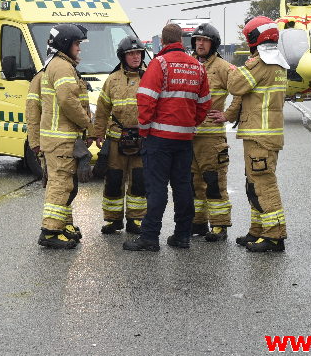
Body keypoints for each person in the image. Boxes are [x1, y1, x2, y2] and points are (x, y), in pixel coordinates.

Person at [123, 23, 211, 252]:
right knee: (183, 187)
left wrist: (144, 130)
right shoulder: (198, 67)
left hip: (158, 138)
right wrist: (190, 124)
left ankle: (150, 237)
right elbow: (204, 105)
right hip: (184, 139)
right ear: (181, 40)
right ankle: (182, 235)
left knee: (157, 188)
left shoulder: (159, 64)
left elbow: (146, 100)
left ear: (162, 42)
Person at [227, 16, 289, 252]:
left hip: (259, 136)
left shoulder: (260, 65)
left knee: (264, 185)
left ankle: (274, 236)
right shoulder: (280, 64)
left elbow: (235, 86)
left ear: (255, 39)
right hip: (265, 136)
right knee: (253, 184)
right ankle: (258, 230)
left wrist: (235, 68)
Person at [37, 23, 93, 249]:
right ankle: (50, 232)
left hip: (57, 139)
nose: (79, 48)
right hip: (61, 139)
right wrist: (87, 124)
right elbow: (68, 101)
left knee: (64, 184)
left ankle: (62, 226)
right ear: (65, 44)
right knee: (60, 185)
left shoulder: (56, 64)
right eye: (77, 44)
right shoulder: (62, 67)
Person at [189, 23, 242, 242]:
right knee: (193, 182)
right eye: (197, 40)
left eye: (204, 40)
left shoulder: (223, 67)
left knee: (214, 181)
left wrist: (228, 115)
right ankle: (198, 222)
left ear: (213, 44)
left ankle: (219, 225)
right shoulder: (189, 64)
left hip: (212, 137)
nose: (200, 44)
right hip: (190, 136)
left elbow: (240, 91)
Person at [92, 36, 147, 235]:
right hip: (116, 138)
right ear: (123, 57)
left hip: (142, 139)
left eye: (138, 53)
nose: (135, 57)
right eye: (131, 53)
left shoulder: (150, 76)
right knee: (114, 179)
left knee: (139, 180)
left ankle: (137, 219)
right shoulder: (112, 80)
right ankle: (113, 220)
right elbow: (102, 108)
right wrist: (98, 132)